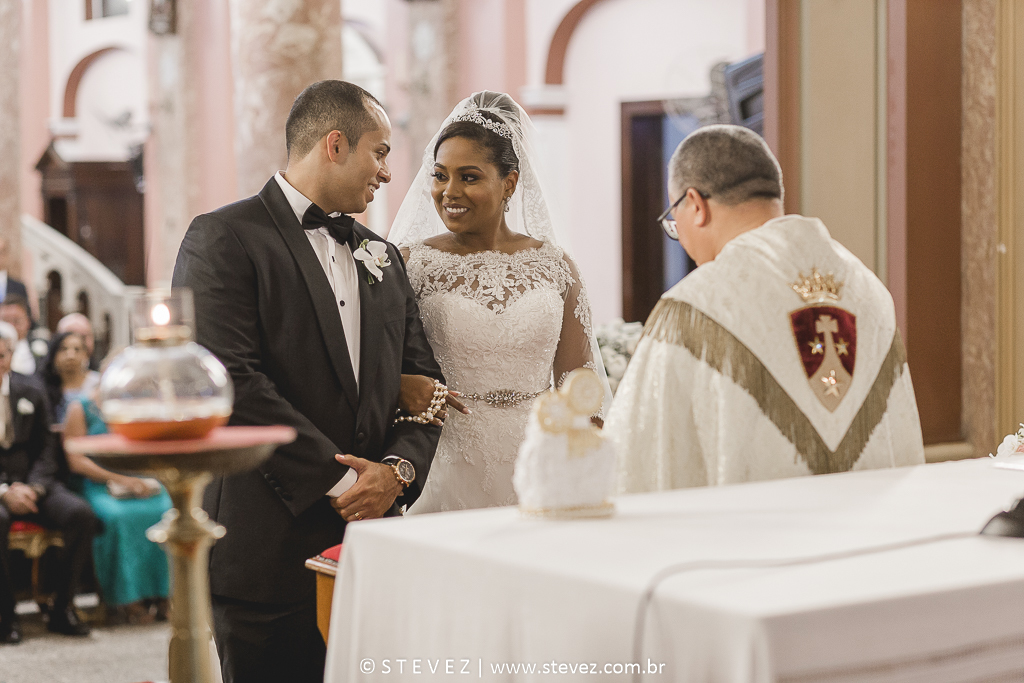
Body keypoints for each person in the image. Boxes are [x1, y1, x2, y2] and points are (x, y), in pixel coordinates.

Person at [172, 80, 444, 683]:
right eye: (379, 152)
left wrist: (395, 473)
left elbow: (426, 380)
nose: (387, 173)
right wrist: (347, 482)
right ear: (335, 144)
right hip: (268, 546)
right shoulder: (224, 237)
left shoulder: (382, 254)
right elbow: (231, 381)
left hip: (373, 544)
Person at [607, 125, 925, 491]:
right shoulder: (869, 289)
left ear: (694, 205)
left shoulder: (694, 306)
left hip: (759, 524)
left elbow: (635, 459)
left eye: (673, 222)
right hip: (867, 521)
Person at [388, 91, 611, 514]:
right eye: (440, 175)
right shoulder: (410, 264)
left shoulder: (556, 266)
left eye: (469, 177)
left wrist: (582, 466)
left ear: (509, 183)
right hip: (444, 460)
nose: (449, 191)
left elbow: (578, 384)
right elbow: (384, 369)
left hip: (538, 459)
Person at [0, 322, 95, 643]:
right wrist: (4, 492)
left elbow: (46, 449)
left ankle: (61, 607)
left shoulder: (30, 389)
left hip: (35, 484)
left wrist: (35, 487)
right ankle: (6, 615)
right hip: (1, 492)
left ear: (10, 355)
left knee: (79, 514)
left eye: (2, 356)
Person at [61, 376, 171, 624]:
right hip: (97, 483)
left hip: (137, 479)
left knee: (166, 509)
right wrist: (120, 480)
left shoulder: (137, 404)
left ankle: (165, 595)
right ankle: (127, 599)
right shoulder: (81, 408)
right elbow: (76, 460)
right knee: (119, 517)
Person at [40, 332, 101, 424]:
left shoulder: (98, 383)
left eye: (77, 349)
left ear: (86, 355)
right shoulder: (43, 387)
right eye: (64, 349)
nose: (70, 356)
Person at [0, 296, 46, 376]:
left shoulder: (41, 346)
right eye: (6, 321)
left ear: (28, 322)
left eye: (16, 321)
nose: (11, 326)